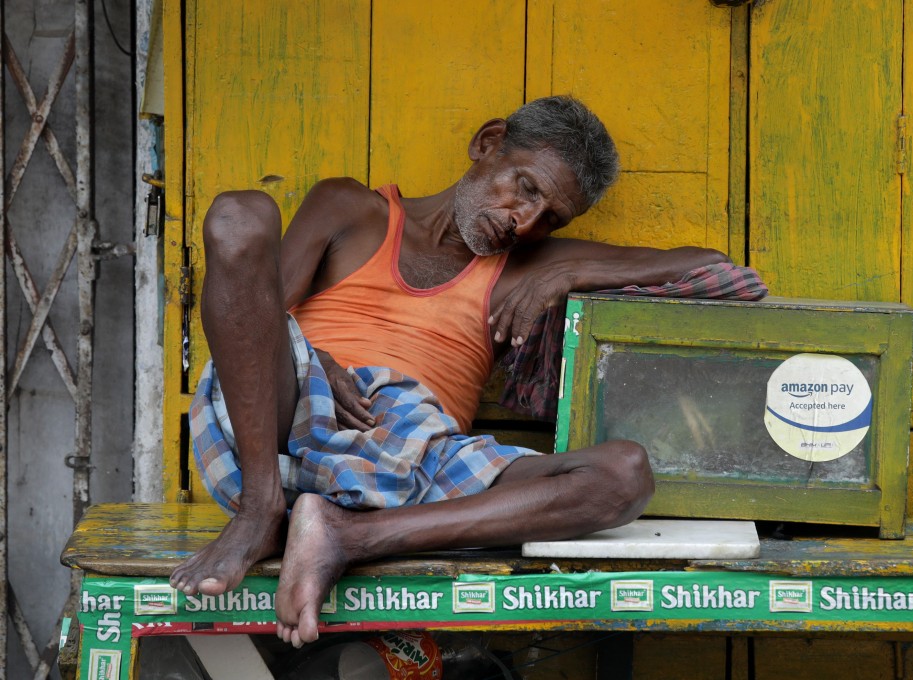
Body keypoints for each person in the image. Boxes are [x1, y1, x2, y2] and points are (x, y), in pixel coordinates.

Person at [168, 96, 730, 647]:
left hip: (415, 464)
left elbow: (716, 269)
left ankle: (347, 537)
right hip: (284, 427)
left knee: (624, 475)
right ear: (487, 144)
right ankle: (260, 511)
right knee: (242, 214)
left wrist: (571, 269)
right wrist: (322, 363)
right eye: (526, 187)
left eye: (549, 219)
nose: (525, 222)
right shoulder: (350, 208)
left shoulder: (530, 265)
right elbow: (264, 313)